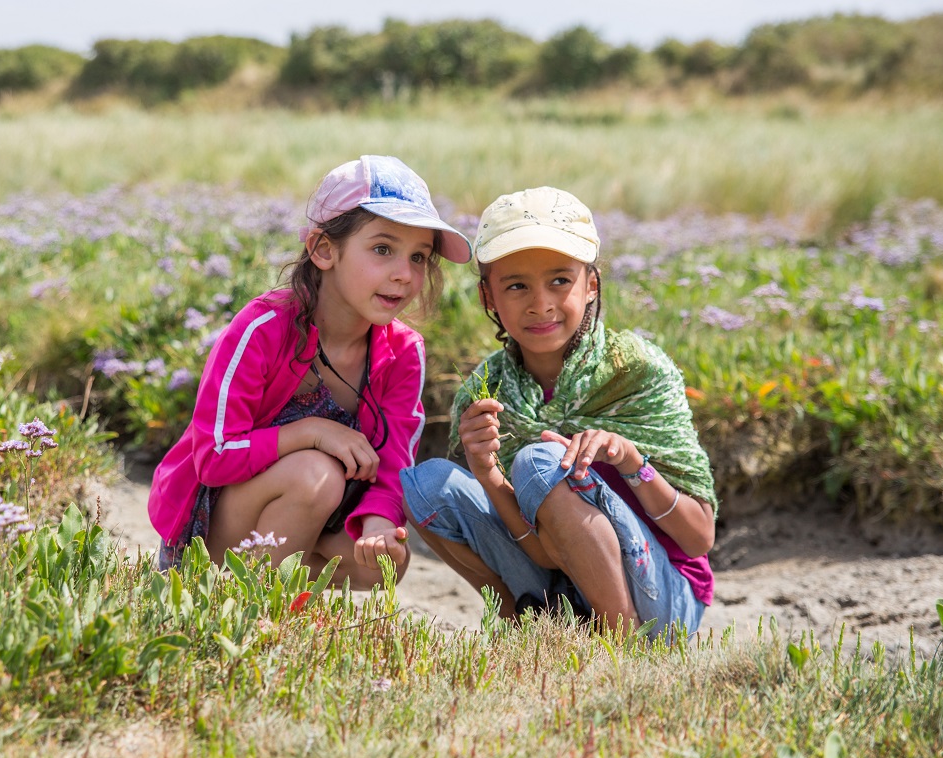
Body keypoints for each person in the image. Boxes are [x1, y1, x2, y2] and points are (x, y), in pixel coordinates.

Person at [401, 187, 717, 638]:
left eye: (560, 281)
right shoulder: (486, 393)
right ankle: (522, 624)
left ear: (591, 285)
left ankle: (624, 645)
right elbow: (543, 553)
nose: (541, 304)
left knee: (539, 461)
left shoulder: (637, 371)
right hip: (562, 581)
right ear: (488, 297)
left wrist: (631, 461)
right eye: (516, 286)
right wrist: (487, 474)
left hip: (664, 598)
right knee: (426, 485)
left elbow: (699, 537)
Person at [148, 155, 472, 588]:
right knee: (315, 475)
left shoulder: (404, 352)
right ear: (324, 250)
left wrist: (379, 523)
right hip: (212, 532)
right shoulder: (263, 328)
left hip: (311, 516)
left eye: (418, 257)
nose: (404, 274)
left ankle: (277, 590)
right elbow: (213, 456)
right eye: (383, 249)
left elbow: (394, 463)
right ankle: (248, 603)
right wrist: (312, 432)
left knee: (382, 565)